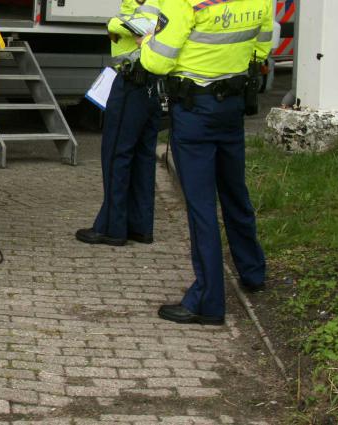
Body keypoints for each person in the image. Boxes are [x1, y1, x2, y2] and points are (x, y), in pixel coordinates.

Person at [140, 0, 273, 325]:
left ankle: (208, 301)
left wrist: (146, 42)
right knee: (235, 192)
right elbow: (262, 47)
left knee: (201, 207)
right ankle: (252, 271)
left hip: (196, 109)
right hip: (233, 105)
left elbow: (157, 61)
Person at [76, 0, 162, 247]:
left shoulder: (146, 4)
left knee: (117, 155)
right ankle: (140, 226)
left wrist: (114, 24)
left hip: (133, 81)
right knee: (143, 157)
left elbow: (136, 26)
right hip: (152, 83)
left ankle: (112, 228)